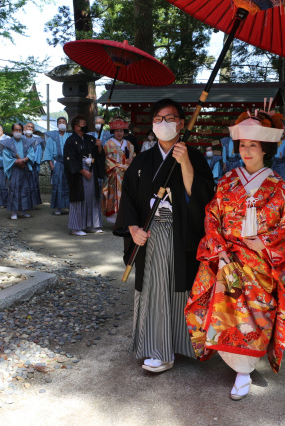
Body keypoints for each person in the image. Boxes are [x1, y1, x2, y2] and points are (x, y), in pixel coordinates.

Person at [185, 110, 285, 400]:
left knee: (257, 316)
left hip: (260, 262)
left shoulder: (278, 186)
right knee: (227, 315)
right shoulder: (227, 182)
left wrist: (265, 242)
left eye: (253, 146)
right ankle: (235, 363)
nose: (246, 151)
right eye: (242, 145)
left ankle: (245, 370)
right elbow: (212, 216)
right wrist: (220, 251)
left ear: (265, 149)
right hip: (229, 259)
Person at [120, 98, 215, 374]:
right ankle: (161, 349)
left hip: (181, 231)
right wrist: (133, 229)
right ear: (152, 125)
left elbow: (201, 197)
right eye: (158, 119)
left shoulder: (193, 156)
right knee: (155, 288)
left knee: (178, 288)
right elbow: (128, 199)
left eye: (170, 118)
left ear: (182, 123)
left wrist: (185, 163)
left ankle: (178, 346)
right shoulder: (142, 160)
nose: (164, 124)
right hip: (150, 234)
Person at [64, 114, 104, 236]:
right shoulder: (70, 141)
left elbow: (98, 156)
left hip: (91, 171)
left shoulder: (90, 139)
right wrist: (82, 170)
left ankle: (90, 225)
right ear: (76, 127)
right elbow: (70, 160)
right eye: (83, 124)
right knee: (79, 199)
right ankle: (76, 228)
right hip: (78, 174)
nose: (85, 126)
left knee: (92, 197)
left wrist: (99, 147)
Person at [0, 123, 37, 220]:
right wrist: (16, 161)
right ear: (12, 131)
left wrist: (24, 160)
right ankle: (14, 212)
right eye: (16, 130)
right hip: (15, 168)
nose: (18, 132)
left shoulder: (27, 142)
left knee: (25, 190)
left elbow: (31, 153)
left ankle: (23, 211)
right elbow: (6, 156)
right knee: (14, 190)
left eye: (20, 130)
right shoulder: (8, 143)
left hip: (25, 168)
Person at [102, 118, 135, 223]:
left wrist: (129, 164)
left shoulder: (129, 144)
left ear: (124, 132)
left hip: (126, 173)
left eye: (121, 131)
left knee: (127, 196)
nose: (119, 133)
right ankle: (114, 220)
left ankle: (125, 219)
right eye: (116, 131)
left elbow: (133, 157)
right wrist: (116, 167)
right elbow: (106, 159)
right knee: (114, 196)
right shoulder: (108, 144)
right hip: (114, 174)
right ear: (113, 132)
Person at [42, 116, 71, 215]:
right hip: (57, 162)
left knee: (69, 184)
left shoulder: (70, 137)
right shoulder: (52, 137)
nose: (62, 123)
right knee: (57, 184)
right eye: (60, 122)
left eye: (63, 122)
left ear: (66, 125)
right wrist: (51, 164)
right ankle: (58, 208)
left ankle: (69, 206)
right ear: (57, 124)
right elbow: (48, 151)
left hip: (68, 164)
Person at [24, 122, 44, 207]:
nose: (29, 128)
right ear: (24, 128)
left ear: (33, 130)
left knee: (33, 184)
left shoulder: (38, 140)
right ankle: (24, 203)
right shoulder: (20, 138)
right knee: (24, 185)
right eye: (28, 127)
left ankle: (33, 202)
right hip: (23, 164)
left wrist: (35, 161)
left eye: (31, 127)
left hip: (34, 165)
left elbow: (40, 151)